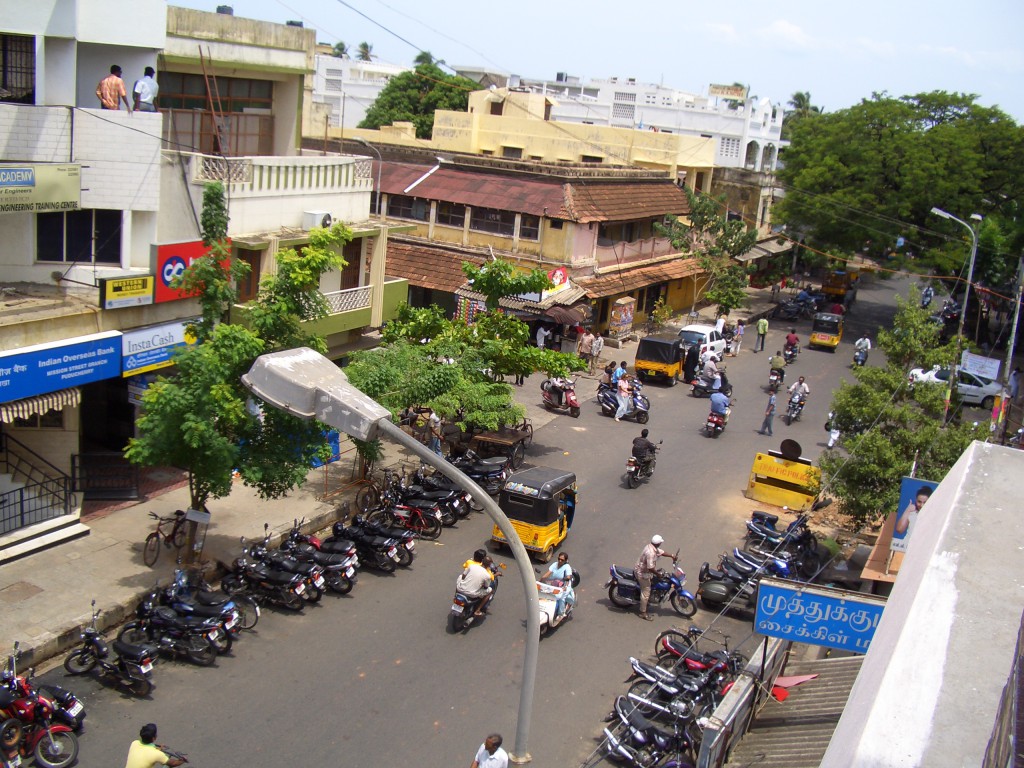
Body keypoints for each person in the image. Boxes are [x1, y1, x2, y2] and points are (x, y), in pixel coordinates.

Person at [634, 534, 676, 621]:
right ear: (658, 543)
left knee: (655, 581)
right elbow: (650, 568)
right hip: (642, 573)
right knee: (646, 592)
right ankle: (643, 613)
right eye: (660, 542)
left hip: (646, 571)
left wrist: (672, 555)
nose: (661, 543)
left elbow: (661, 552)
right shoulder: (650, 553)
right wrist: (658, 574)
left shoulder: (652, 547)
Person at [540, 552, 575, 618]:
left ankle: (561, 613)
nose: (560, 561)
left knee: (561, 598)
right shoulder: (555, 564)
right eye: (559, 559)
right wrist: (541, 580)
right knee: (544, 593)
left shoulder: (567, 567)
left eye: (562, 560)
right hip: (554, 583)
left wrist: (565, 586)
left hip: (564, 585)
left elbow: (568, 577)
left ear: (565, 560)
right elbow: (548, 573)